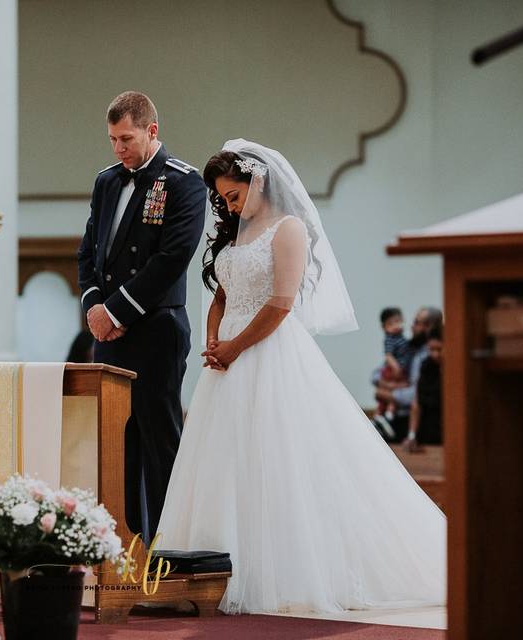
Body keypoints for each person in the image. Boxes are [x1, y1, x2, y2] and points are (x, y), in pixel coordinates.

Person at [157, 140, 445, 614]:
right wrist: (213, 337)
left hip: (268, 355)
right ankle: (213, 573)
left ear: (259, 181)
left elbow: (281, 304)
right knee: (223, 462)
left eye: (234, 196)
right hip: (225, 362)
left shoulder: (287, 229)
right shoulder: (235, 235)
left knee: (277, 461)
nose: (229, 206)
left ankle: (277, 572)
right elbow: (223, 293)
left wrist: (234, 346)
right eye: (223, 200)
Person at [76, 91, 206, 545]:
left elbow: (171, 259)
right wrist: (96, 307)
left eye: (126, 138)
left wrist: (117, 310)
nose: (118, 149)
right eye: (112, 139)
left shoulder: (183, 182)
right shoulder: (106, 181)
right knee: (114, 443)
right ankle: (122, 546)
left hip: (156, 329)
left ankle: (169, 548)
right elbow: (89, 252)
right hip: (109, 333)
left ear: (151, 131)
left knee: (157, 437)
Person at [372, 307, 443, 441]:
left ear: (430, 327)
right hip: (397, 410)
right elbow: (376, 374)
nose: (411, 326)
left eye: (417, 322)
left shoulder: (431, 357)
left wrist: (389, 394)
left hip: (417, 418)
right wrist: (385, 384)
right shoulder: (409, 347)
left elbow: (418, 393)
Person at [406, 326, 443, 452]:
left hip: (446, 431)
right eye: (431, 349)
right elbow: (416, 404)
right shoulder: (426, 366)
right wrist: (412, 435)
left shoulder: (456, 369)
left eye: (439, 349)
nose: (435, 354)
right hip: (426, 429)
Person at [377, 306, 410, 424]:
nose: (395, 326)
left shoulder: (400, 337)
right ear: (384, 327)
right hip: (393, 369)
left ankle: (387, 413)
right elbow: (388, 355)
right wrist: (396, 367)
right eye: (390, 324)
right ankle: (386, 413)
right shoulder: (390, 338)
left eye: (397, 322)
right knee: (392, 390)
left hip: (400, 369)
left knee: (395, 391)